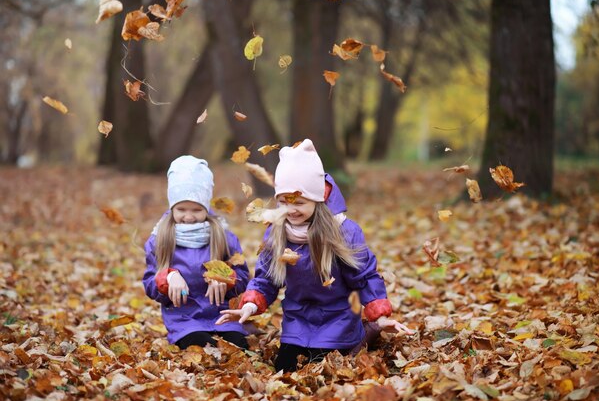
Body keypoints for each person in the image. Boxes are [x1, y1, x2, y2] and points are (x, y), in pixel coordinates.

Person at [217, 140, 412, 371]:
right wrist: (249, 305)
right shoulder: (276, 231)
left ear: (317, 200)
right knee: (286, 369)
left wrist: (379, 316)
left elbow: (365, 276)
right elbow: (267, 279)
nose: (291, 210)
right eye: (283, 202)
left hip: (338, 318)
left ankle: (365, 333)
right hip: (297, 319)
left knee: (323, 368)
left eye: (300, 202)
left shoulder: (343, 232)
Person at [143, 155, 250, 350]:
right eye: (182, 209)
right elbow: (150, 285)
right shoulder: (160, 239)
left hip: (223, 315)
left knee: (237, 346)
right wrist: (168, 278)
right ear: (172, 206)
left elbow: (243, 278)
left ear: (207, 209)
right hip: (185, 320)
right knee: (204, 347)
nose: (189, 217)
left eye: (197, 210)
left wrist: (225, 277)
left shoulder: (223, 236)